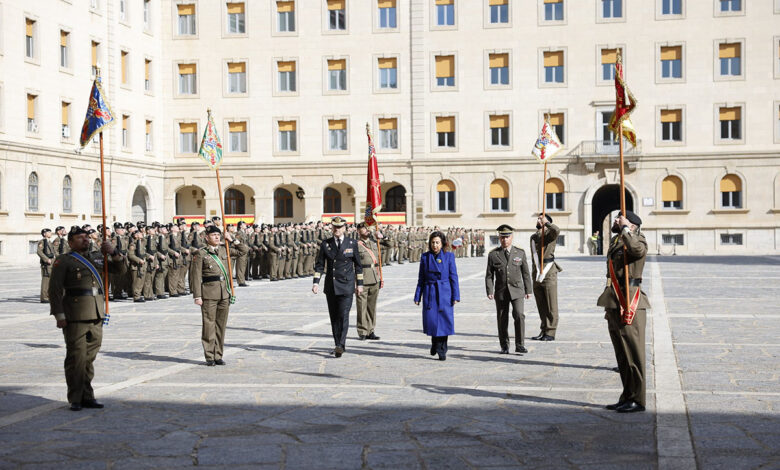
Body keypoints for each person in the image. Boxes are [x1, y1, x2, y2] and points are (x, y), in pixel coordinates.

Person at [48, 226, 126, 411]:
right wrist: (59, 315)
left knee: (89, 357)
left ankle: (87, 395)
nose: (85, 240)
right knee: (76, 357)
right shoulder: (64, 260)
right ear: (71, 241)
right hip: (75, 313)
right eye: (80, 238)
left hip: (97, 311)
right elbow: (55, 289)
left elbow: (121, 270)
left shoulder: (98, 256)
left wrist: (114, 252)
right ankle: (76, 398)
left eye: (86, 237)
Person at [598, 211, 650, 413]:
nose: (616, 220)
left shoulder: (637, 239)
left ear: (633, 225)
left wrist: (627, 229)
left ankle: (638, 399)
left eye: (620, 218)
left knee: (633, 354)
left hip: (630, 301)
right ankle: (627, 395)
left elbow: (637, 251)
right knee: (622, 354)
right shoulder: (616, 240)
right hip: (615, 299)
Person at [312, 217, 364, 358]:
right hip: (331, 286)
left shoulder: (352, 243)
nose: (337, 229)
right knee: (334, 317)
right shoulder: (326, 244)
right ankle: (338, 344)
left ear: (345, 228)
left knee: (343, 315)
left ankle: (341, 344)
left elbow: (358, 266)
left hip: (346, 285)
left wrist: (359, 285)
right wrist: (316, 282)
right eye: (335, 227)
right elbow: (319, 265)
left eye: (340, 227)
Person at [190, 225, 235, 366]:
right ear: (206, 237)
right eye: (213, 235)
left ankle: (218, 354)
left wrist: (232, 240)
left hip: (224, 293)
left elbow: (244, 251)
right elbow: (195, 276)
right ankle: (209, 355)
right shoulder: (201, 253)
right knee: (209, 325)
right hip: (209, 293)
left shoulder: (224, 249)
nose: (216, 237)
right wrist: (197, 296)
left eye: (218, 235)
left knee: (221, 326)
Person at [485, 225, 532, 354]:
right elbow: (489, 275)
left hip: (517, 290)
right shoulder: (494, 254)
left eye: (507, 237)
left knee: (519, 315)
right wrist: (490, 290)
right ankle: (504, 345)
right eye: (502, 237)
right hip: (501, 291)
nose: (505, 240)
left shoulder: (520, 253)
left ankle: (520, 344)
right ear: (499, 238)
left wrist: (528, 290)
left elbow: (526, 273)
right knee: (502, 319)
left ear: (512, 237)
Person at [414, 231, 460, 361]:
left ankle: (442, 349)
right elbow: (421, 278)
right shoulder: (425, 257)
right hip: (430, 292)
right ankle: (435, 343)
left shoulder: (449, 256)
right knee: (433, 321)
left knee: (444, 322)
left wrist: (456, 295)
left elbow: (454, 277)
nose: (435, 245)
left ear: (442, 243)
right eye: (433, 242)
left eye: (437, 243)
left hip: (445, 292)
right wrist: (418, 296)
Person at [529, 214, 561, 341]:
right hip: (536, 272)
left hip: (548, 272)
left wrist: (546, 223)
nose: (538, 220)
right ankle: (543, 329)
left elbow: (556, 230)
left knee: (551, 304)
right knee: (541, 304)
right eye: (538, 218)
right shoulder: (533, 236)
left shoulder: (550, 234)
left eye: (540, 218)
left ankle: (551, 332)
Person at [355, 222, 383, 341]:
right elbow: (353, 264)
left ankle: (371, 330)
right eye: (363, 228)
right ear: (358, 232)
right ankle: (362, 331)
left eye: (367, 228)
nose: (366, 230)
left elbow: (390, 244)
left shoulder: (374, 242)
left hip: (375, 277)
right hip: (363, 278)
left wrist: (381, 236)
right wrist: (356, 282)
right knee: (362, 306)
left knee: (372, 306)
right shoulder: (356, 245)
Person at [37, 228, 55, 303]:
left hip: (52, 262)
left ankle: (48, 296)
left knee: (50, 280)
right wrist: (46, 259)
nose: (51, 233)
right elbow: (39, 252)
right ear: (44, 234)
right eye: (49, 232)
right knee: (45, 280)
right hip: (46, 263)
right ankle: (44, 297)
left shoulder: (49, 242)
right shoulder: (42, 242)